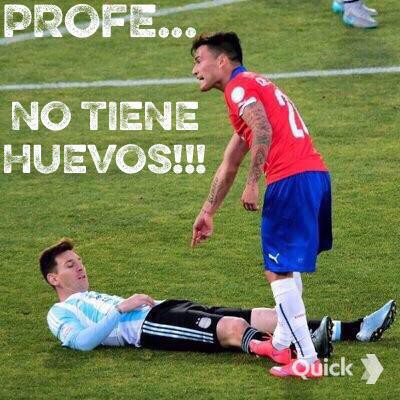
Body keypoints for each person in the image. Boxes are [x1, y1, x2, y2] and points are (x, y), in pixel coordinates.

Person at [189, 32, 332, 378]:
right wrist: (208, 211)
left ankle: (308, 359)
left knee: (277, 270)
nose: (195, 70)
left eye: (199, 61)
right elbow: (229, 164)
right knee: (285, 266)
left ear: (222, 60)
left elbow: (263, 130)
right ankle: (281, 343)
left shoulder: (239, 89)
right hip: (313, 175)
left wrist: (253, 183)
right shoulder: (255, 86)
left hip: (290, 180)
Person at [40, 239, 396, 356]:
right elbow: (82, 343)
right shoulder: (58, 313)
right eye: (71, 265)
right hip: (148, 328)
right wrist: (121, 308)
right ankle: (293, 351)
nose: (80, 267)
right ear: (54, 279)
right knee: (230, 327)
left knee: (265, 315)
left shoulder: (88, 295)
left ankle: (356, 329)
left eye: (79, 261)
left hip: (165, 308)